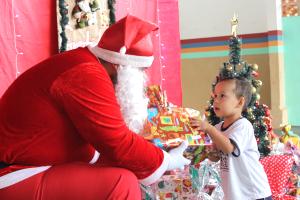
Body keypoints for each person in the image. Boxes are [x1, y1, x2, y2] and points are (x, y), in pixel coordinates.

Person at [0, 15, 190, 199]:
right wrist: (165, 160)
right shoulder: (86, 72)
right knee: (121, 183)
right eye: (140, 73)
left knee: (122, 168)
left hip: (35, 165)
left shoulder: (85, 64)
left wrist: (152, 157)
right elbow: (116, 141)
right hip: (14, 173)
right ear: (121, 67)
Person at [190, 77, 272, 200]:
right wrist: (204, 151)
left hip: (254, 194)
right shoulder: (218, 128)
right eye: (215, 96)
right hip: (235, 194)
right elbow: (216, 156)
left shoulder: (243, 125)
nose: (216, 101)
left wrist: (208, 128)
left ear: (240, 102)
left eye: (222, 96)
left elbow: (229, 148)